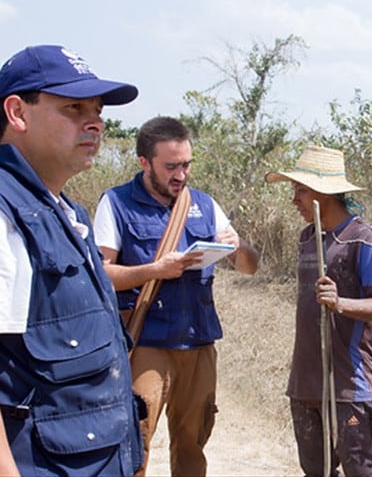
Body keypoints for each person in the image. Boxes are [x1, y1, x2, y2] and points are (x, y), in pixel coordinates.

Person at [0, 44, 143, 475]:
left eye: (97, 111)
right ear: (18, 113)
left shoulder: (63, 211)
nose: (95, 123)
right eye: (74, 108)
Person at [92, 116, 260, 476]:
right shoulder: (116, 204)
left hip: (199, 343)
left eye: (186, 165)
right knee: (134, 440)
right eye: (171, 166)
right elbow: (99, 275)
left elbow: (250, 267)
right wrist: (153, 271)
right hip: (147, 344)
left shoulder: (203, 203)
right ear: (144, 162)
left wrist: (239, 246)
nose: (181, 175)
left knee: (193, 444)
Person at [266, 145, 372, 477]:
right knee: (315, 470)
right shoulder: (307, 237)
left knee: (359, 467)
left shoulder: (363, 239)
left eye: (300, 190)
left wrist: (340, 303)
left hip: (346, 381)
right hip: (305, 380)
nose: (294, 199)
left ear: (324, 193)